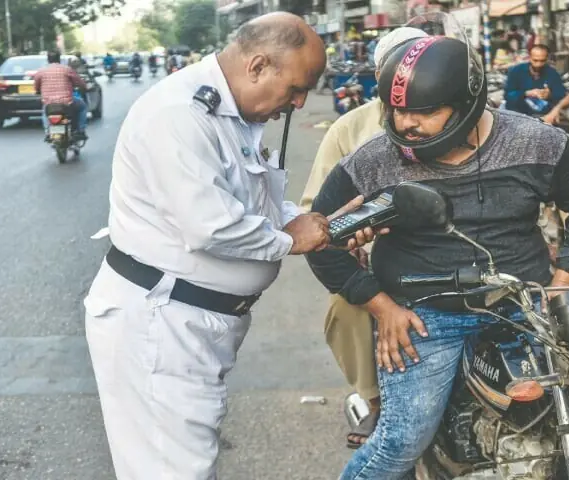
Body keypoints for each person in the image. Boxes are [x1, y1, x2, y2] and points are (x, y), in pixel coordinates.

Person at [304, 17, 569, 479]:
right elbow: (321, 238)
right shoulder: (373, 160)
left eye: (423, 111)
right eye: (395, 110)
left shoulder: (536, 141)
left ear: (466, 102)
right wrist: (381, 306)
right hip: (423, 316)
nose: (404, 123)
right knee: (399, 445)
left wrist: (563, 282)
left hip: (524, 305)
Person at [83, 12, 369, 480]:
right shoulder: (178, 114)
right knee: (176, 471)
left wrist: (315, 224)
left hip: (194, 324)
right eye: (296, 88)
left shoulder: (231, 114)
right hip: (163, 326)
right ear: (257, 66)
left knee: (188, 465)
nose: (300, 103)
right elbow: (209, 226)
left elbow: (253, 203)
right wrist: (289, 239)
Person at [299, 26, 428, 450]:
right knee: (347, 307)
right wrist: (353, 233)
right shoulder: (350, 129)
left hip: (445, 251)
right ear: (380, 76)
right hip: (374, 255)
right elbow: (315, 213)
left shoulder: (462, 117)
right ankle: (374, 399)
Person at [33, 51, 89, 141]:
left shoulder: (41, 71)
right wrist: (84, 87)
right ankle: (81, 131)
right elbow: (78, 82)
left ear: (48, 59)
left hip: (49, 103)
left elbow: (36, 86)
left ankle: (47, 133)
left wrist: (37, 91)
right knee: (82, 106)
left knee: (45, 111)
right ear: (59, 59)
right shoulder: (66, 69)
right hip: (66, 102)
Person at [504, 44, 567, 116]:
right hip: (519, 113)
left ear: (547, 59)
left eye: (542, 61)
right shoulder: (516, 71)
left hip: (542, 115)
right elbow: (507, 96)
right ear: (529, 58)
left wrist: (549, 95)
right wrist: (526, 93)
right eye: (535, 60)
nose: (538, 64)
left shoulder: (552, 73)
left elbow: (562, 95)